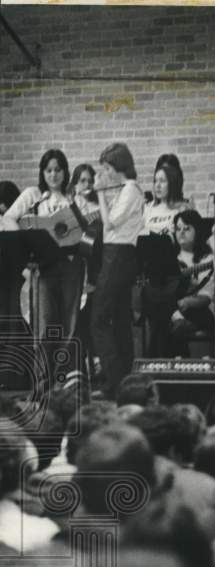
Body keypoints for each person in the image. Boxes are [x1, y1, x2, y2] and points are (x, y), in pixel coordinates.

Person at [1, 149, 85, 381]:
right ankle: (42, 382)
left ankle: (66, 381)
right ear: (42, 172)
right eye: (48, 170)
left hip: (71, 265)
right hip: (44, 267)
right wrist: (26, 243)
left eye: (58, 170)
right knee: (44, 323)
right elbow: (7, 217)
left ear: (65, 171)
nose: (53, 174)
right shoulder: (33, 194)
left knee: (69, 323)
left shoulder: (72, 197)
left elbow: (87, 230)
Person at [91, 143, 145, 398]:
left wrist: (100, 192)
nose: (106, 173)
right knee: (121, 320)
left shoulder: (131, 189)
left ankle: (114, 381)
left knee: (98, 319)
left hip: (118, 256)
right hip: (118, 255)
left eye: (108, 168)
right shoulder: (126, 190)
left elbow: (110, 223)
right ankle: (125, 382)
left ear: (119, 167)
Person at [168, 209, 215, 356]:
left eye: (187, 228)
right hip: (172, 308)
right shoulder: (169, 256)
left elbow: (206, 297)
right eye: (178, 229)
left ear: (197, 230)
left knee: (175, 324)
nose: (181, 232)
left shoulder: (207, 258)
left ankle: (179, 362)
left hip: (197, 310)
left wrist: (187, 302)